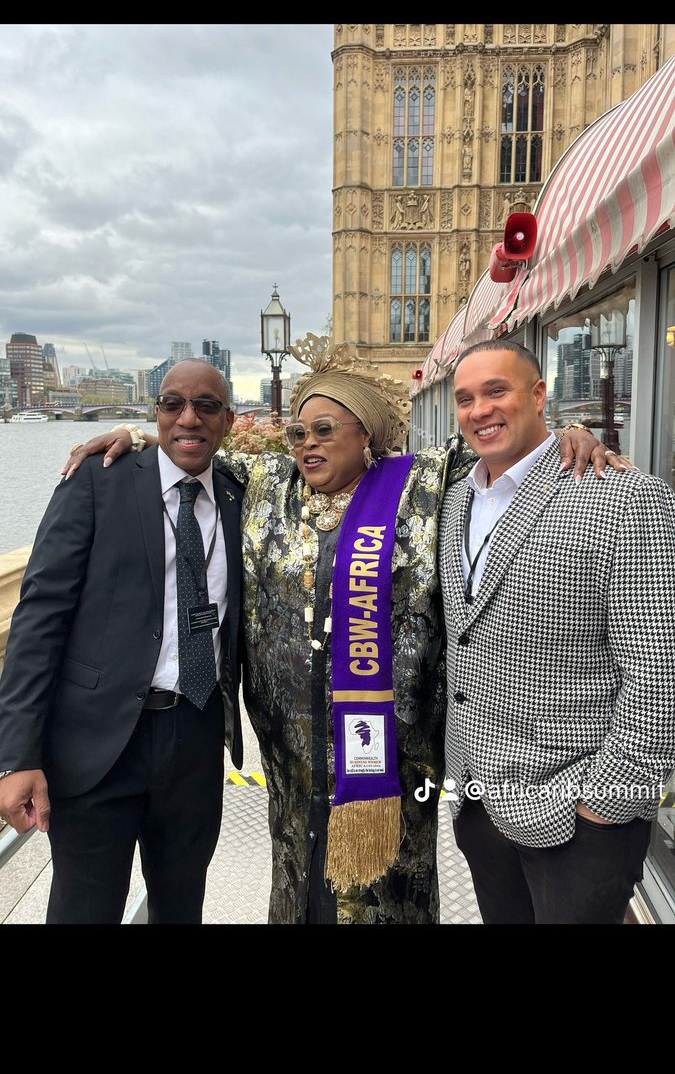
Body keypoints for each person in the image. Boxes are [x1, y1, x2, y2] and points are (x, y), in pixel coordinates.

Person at [59, 334, 621, 925]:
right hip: (291, 758)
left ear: (368, 436)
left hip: (392, 761)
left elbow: (504, 442)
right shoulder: (269, 487)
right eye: (299, 433)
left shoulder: (422, 488)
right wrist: (140, 436)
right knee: (301, 892)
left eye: (326, 430)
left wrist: (572, 436)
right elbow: (195, 446)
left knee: (379, 899)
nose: (307, 444)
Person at [439, 338, 675, 925]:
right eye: (466, 398)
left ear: (540, 395)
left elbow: (657, 671)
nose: (480, 410)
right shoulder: (453, 500)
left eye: (498, 391)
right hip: (479, 800)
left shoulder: (624, 498)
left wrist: (607, 800)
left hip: (580, 814)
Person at [0, 360, 244, 924]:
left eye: (206, 406)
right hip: (96, 743)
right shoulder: (96, 480)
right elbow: (39, 618)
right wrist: (17, 756)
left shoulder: (238, 496)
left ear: (229, 421)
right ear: (153, 413)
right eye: (172, 405)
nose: (189, 418)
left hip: (195, 739)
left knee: (181, 908)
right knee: (83, 911)